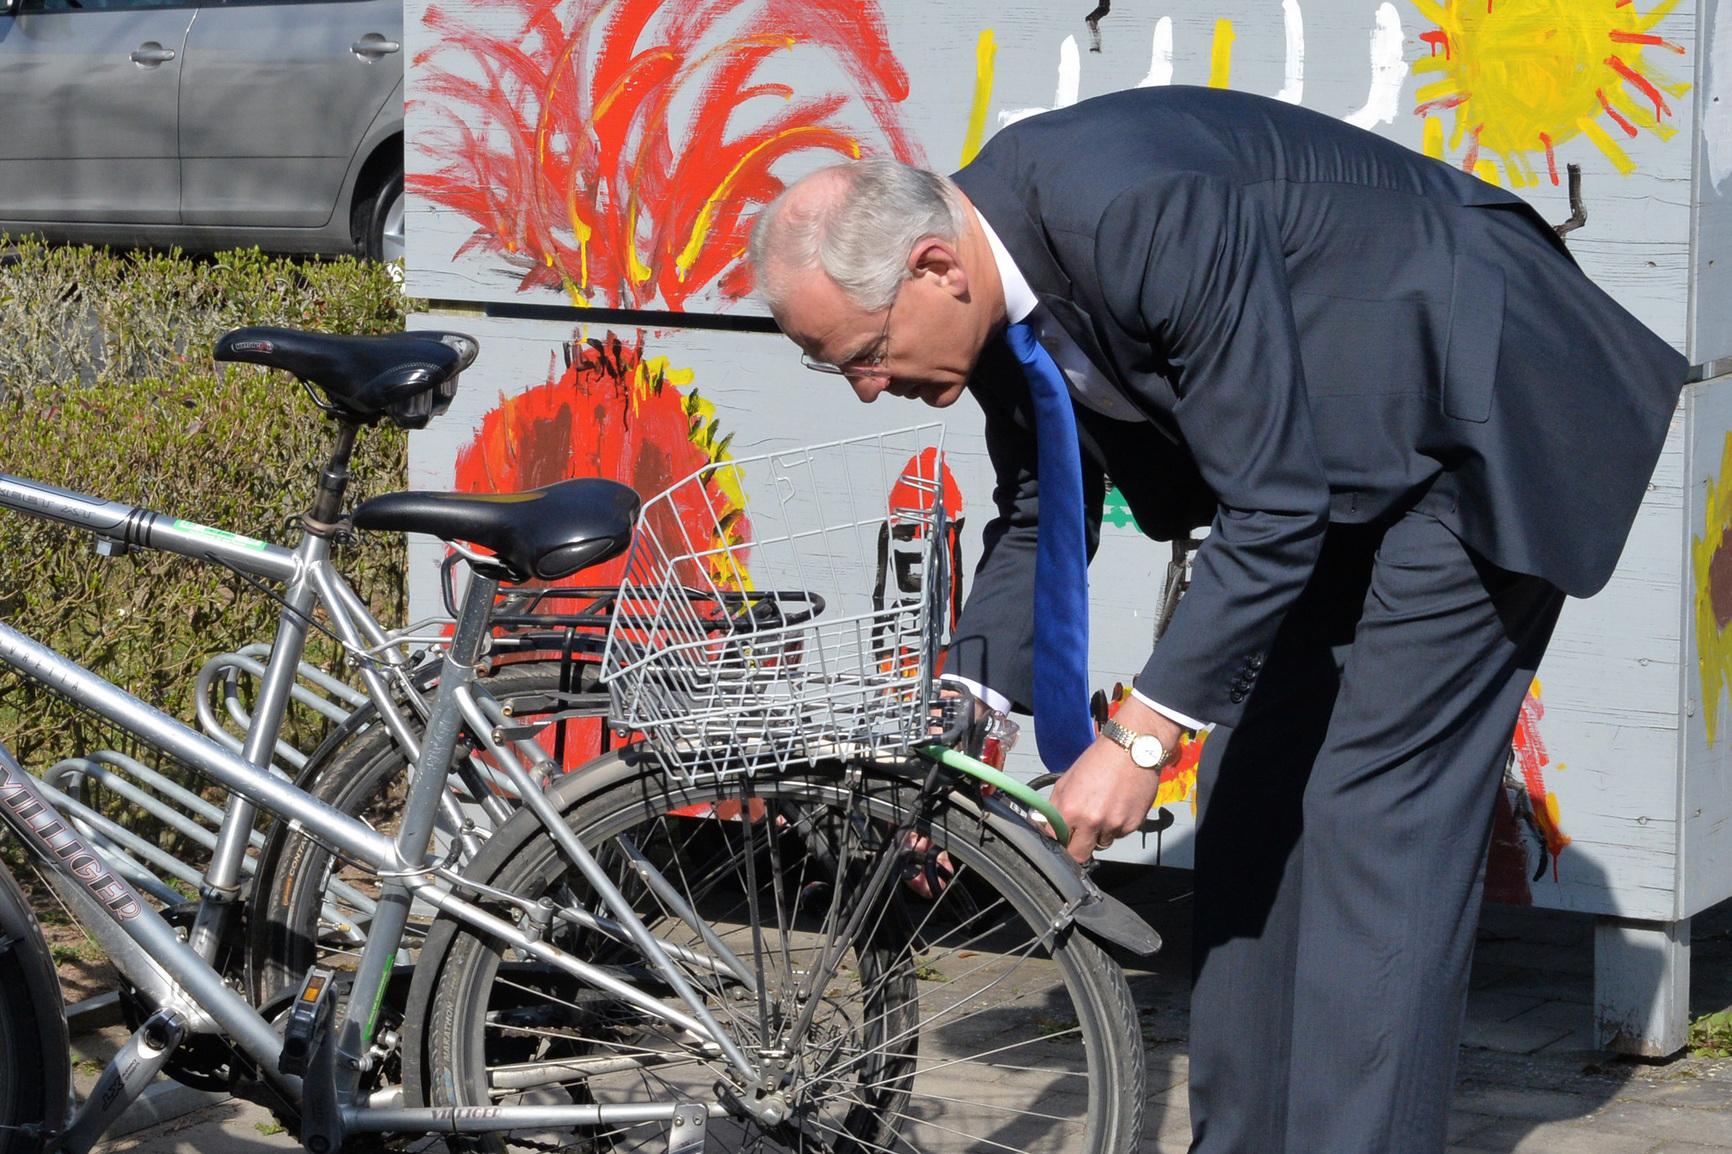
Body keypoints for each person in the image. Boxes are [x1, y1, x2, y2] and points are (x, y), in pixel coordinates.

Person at [745, 85, 1685, 1154]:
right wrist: (961, 707)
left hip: (1483, 407)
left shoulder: (1132, 210)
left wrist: (1141, 736)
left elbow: (1273, 507)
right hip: (1336, 459)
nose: (867, 387)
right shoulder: (988, 283)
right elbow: (1044, 505)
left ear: (932, 268)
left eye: (863, 352)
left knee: (1371, 814)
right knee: (1251, 794)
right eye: (835, 366)